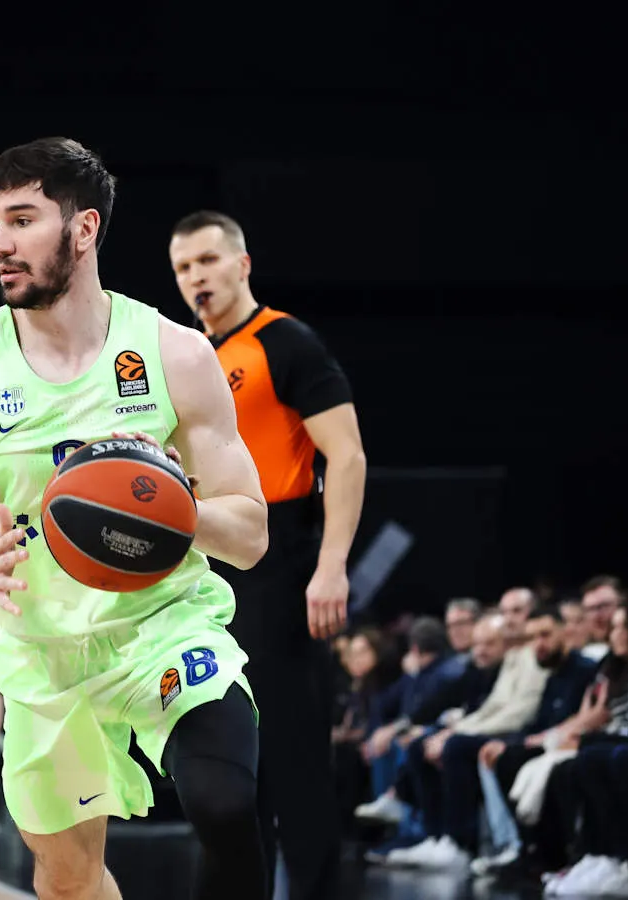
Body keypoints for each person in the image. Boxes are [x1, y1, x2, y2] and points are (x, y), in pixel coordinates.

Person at [0, 136, 271, 900]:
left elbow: (250, 535)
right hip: (42, 653)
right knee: (69, 881)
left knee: (225, 803)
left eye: (22, 220)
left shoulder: (175, 354)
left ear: (84, 229)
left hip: (162, 628)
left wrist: (177, 506)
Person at [168, 210, 367, 900]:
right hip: (208, 562)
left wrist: (331, 565)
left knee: (294, 754)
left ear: (242, 264)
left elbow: (347, 456)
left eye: (208, 260)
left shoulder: (285, 341)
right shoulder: (189, 360)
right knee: (228, 757)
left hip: (283, 561)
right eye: (184, 267)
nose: (197, 277)